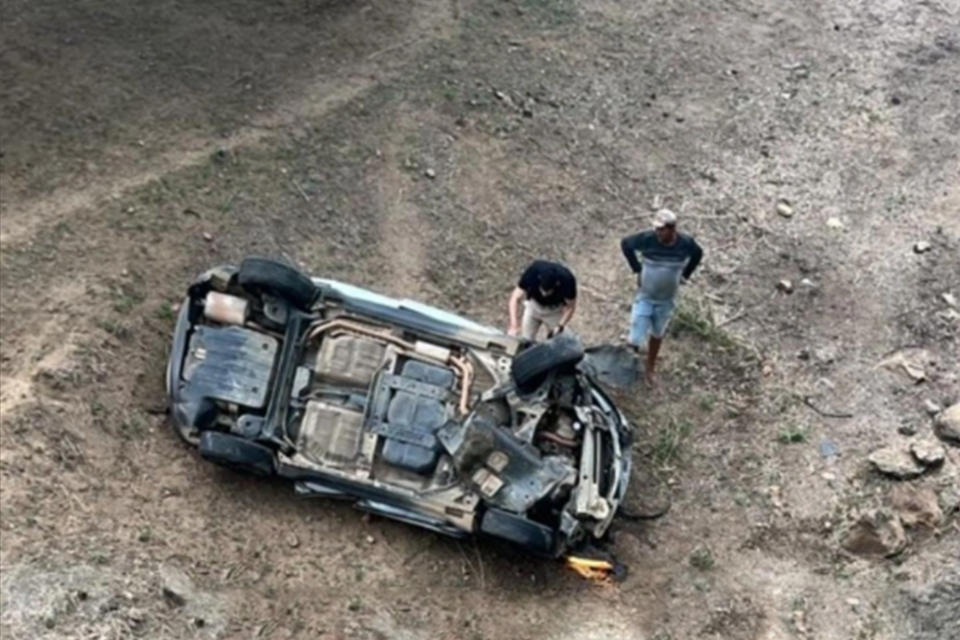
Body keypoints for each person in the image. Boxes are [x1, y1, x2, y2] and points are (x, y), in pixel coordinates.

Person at [620, 209, 703, 386]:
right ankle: (630, 365)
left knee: (657, 333)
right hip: (645, 296)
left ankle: (650, 366)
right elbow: (626, 244)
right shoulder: (647, 239)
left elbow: (698, 254)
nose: (658, 233)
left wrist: (686, 275)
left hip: (667, 300)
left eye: (661, 229)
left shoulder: (685, 243)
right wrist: (636, 268)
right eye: (656, 229)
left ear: (672, 229)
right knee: (634, 336)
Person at [507, 259, 578, 341]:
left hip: (554, 311)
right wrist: (514, 325)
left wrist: (560, 325)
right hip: (533, 307)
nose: (544, 294)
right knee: (525, 340)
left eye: (548, 292)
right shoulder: (533, 271)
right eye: (543, 290)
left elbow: (570, 307)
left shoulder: (567, 280)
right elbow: (514, 298)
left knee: (557, 341)